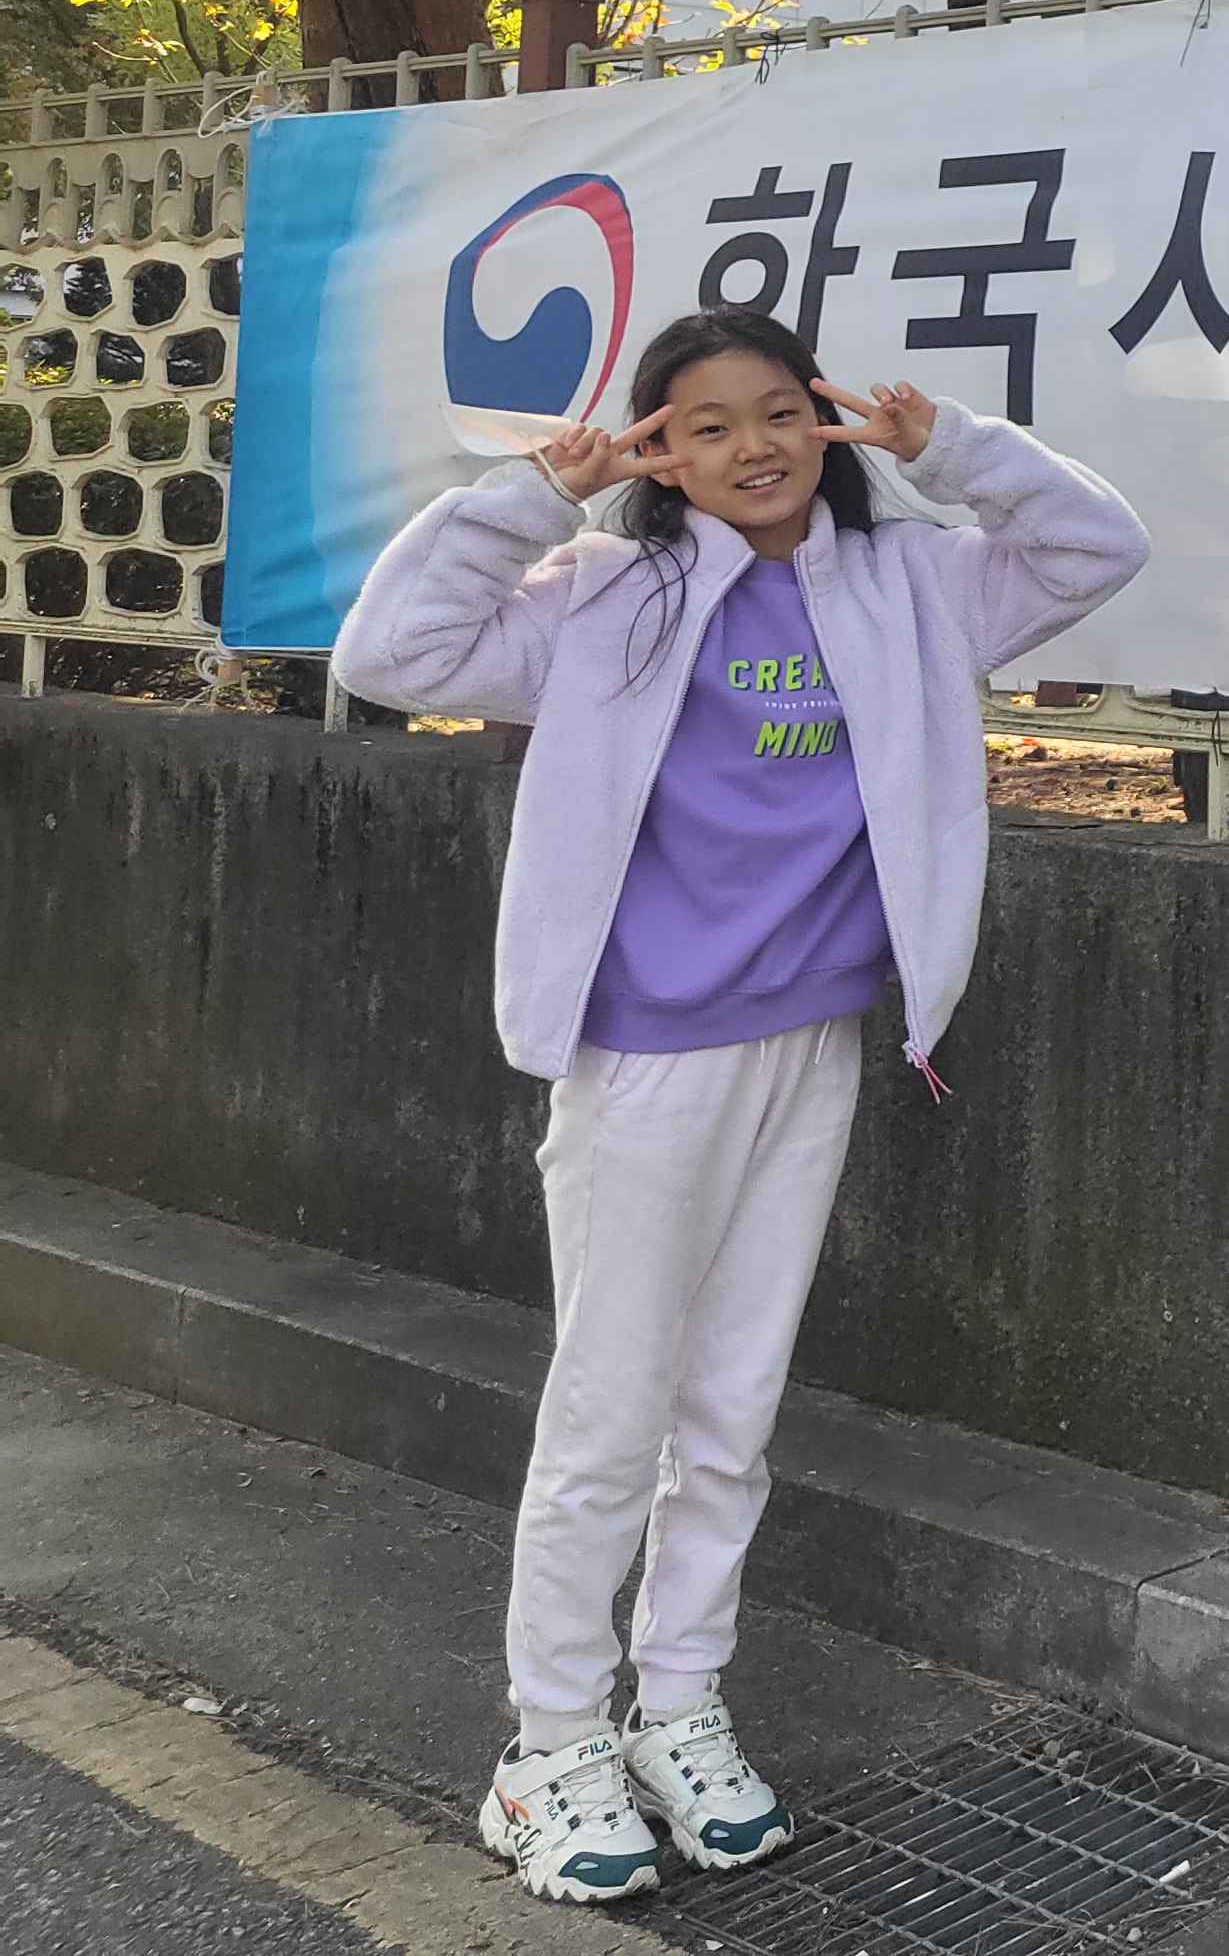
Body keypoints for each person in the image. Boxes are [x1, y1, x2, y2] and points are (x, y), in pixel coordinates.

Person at [331, 304, 1147, 1906]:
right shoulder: (604, 597)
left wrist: (955, 450)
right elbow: (390, 654)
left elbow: (1094, 547)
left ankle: (680, 1708)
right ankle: (550, 1744)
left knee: (733, 1405)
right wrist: (532, 499)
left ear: (825, 424)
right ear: (660, 454)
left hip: (812, 1041)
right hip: (646, 1056)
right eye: (704, 426)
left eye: (778, 411)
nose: (752, 448)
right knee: (610, 1408)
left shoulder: (916, 584)